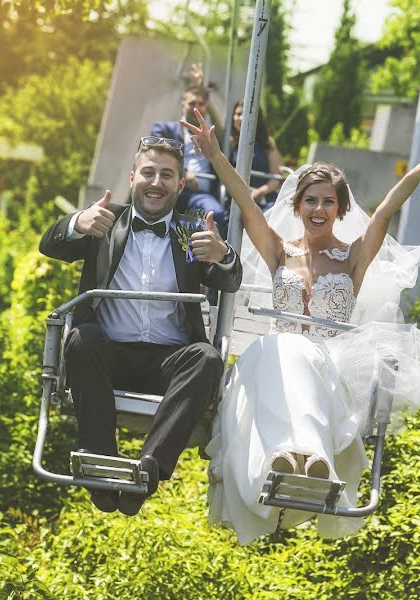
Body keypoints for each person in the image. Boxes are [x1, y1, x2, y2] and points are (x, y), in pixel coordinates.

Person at [181, 108, 420, 544]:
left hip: (331, 364)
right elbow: (246, 201)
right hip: (277, 363)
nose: (319, 208)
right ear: (298, 206)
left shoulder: (353, 256)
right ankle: (281, 463)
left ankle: (315, 462)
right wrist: (213, 154)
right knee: (268, 352)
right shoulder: (279, 251)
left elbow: (384, 211)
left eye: (328, 201)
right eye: (311, 200)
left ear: (340, 208)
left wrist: (418, 171)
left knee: (283, 352)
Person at [39, 136, 242, 516]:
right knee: (81, 339)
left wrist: (223, 255)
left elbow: (230, 281)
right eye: (148, 172)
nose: (156, 182)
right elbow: (49, 245)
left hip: (167, 362)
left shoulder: (191, 230)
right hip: (108, 356)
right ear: (133, 176)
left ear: (180, 185)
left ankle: (148, 469)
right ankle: (100, 463)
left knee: (206, 358)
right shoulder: (106, 222)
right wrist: (77, 223)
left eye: (167, 175)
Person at [150, 63, 227, 238]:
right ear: (183, 105)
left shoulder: (209, 135)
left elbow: (223, 136)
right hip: (171, 190)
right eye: (192, 103)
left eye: (201, 104)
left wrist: (203, 90)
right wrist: (182, 171)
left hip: (201, 195)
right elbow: (155, 154)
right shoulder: (164, 129)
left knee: (216, 213)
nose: (197, 107)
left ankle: (215, 261)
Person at [228, 101, 282, 212]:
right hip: (237, 196)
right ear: (233, 118)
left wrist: (260, 192)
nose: (242, 118)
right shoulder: (229, 143)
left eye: (247, 114)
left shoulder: (267, 142)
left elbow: (275, 177)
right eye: (238, 114)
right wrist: (246, 192)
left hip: (263, 196)